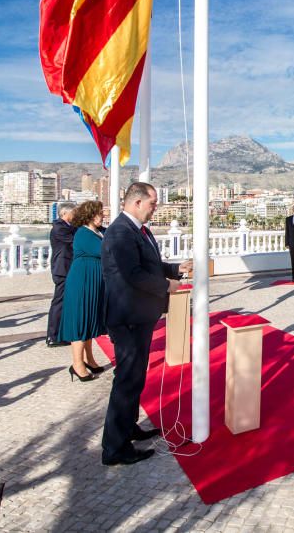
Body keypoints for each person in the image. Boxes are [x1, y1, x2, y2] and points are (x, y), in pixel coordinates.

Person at [101, 183, 192, 466]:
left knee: (136, 376)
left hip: (139, 316)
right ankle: (114, 448)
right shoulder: (120, 232)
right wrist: (168, 286)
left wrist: (177, 269)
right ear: (137, 202)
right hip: (126, 317)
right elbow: (134, 274)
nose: (155, 209)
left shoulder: (139, 230)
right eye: (152, 204)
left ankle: (129, 428)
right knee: (127, 379)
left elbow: (150, 264)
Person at [59, 201, 107, 382]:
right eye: (99, 213)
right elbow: (104, 251)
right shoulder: (83, 233)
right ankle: (77, 364)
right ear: (89, 215)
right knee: (81, 320)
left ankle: (89, 359)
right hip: (83, 280)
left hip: (94, 280)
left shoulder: (100, 231)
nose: (102, 216)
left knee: (89, 320)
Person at [46, 201, 77, 347]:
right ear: (65, 213)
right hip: (62, 269)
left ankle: (61, 333)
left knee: (65, 302)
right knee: (59, 302)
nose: (76, 215)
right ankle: (53, 336)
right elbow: (75, 241)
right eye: (74, 212)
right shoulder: (59, 228)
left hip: (68, 268)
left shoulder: (69, 227)